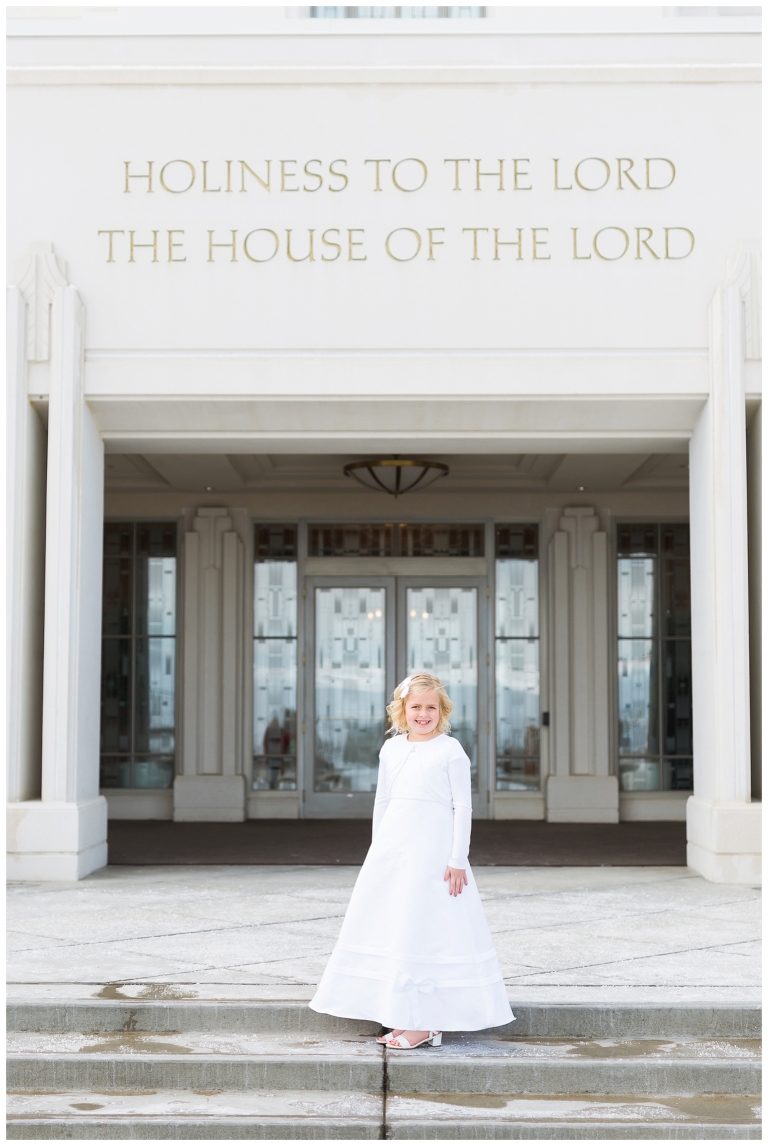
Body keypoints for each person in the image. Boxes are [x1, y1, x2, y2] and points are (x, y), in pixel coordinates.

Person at [309, 672, 513, 1049]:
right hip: (395, 850)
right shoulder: (391, 749)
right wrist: (378, 850)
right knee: (399, 924)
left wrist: (457, 858)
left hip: (434, 852)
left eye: (431, 707)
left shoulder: (450, 750)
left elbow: (462, 807)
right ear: (402, 710)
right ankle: (407, 1016)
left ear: (442, 710)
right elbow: (383, 801)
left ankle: (428, 1022)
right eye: (415, 707)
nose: (423, 714)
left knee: (431, 926)